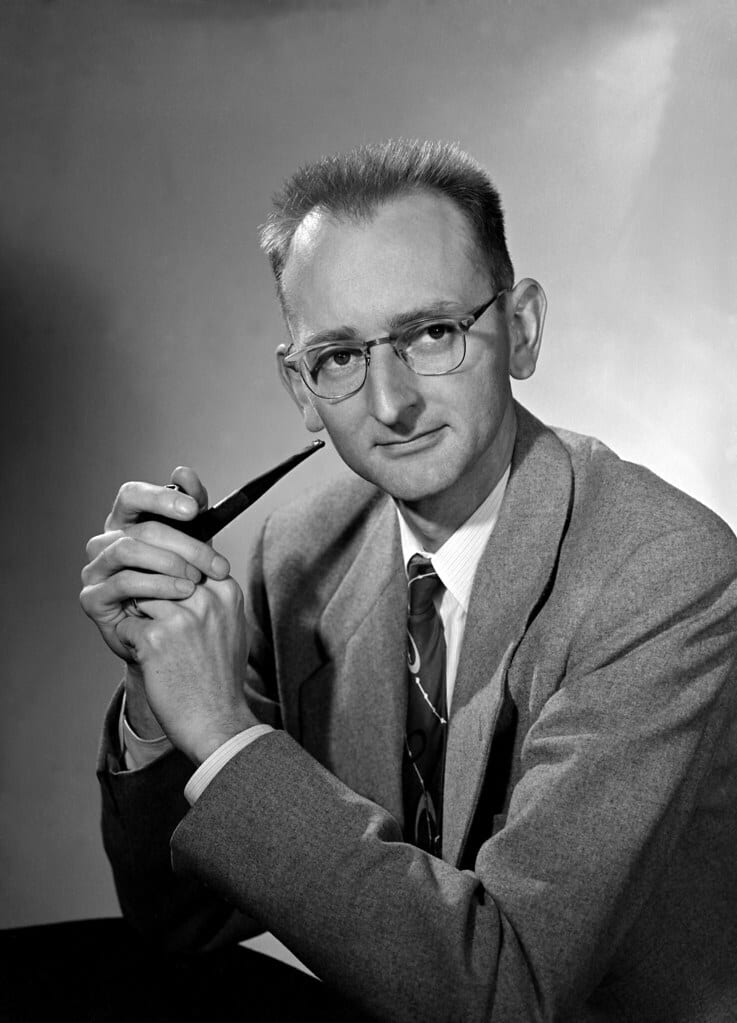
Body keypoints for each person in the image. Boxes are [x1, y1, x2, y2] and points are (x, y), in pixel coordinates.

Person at [80, 139, 737, 1022]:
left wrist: (224, 732)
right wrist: (159, 685)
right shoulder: (299, 552)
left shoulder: (662, 572)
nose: (390, 404)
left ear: (521, 330)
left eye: (432, 333)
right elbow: (181, 917)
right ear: (301, 389)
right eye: (339, 356)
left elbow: (503, 993)